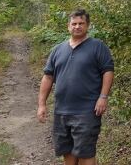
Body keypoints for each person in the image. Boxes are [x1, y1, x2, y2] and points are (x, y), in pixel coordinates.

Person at [37, 9, 114, 165]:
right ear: (68, 26)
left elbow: (108, 71)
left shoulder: (98, 47)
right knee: (67, 152)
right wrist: (41, 104)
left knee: (85, 153)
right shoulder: (58, 50)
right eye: (74, 23)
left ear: (87, 26)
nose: (77, 27)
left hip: (87, 111)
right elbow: (48, 77)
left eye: (81, 23)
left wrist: (103, 97)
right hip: (62, 111)